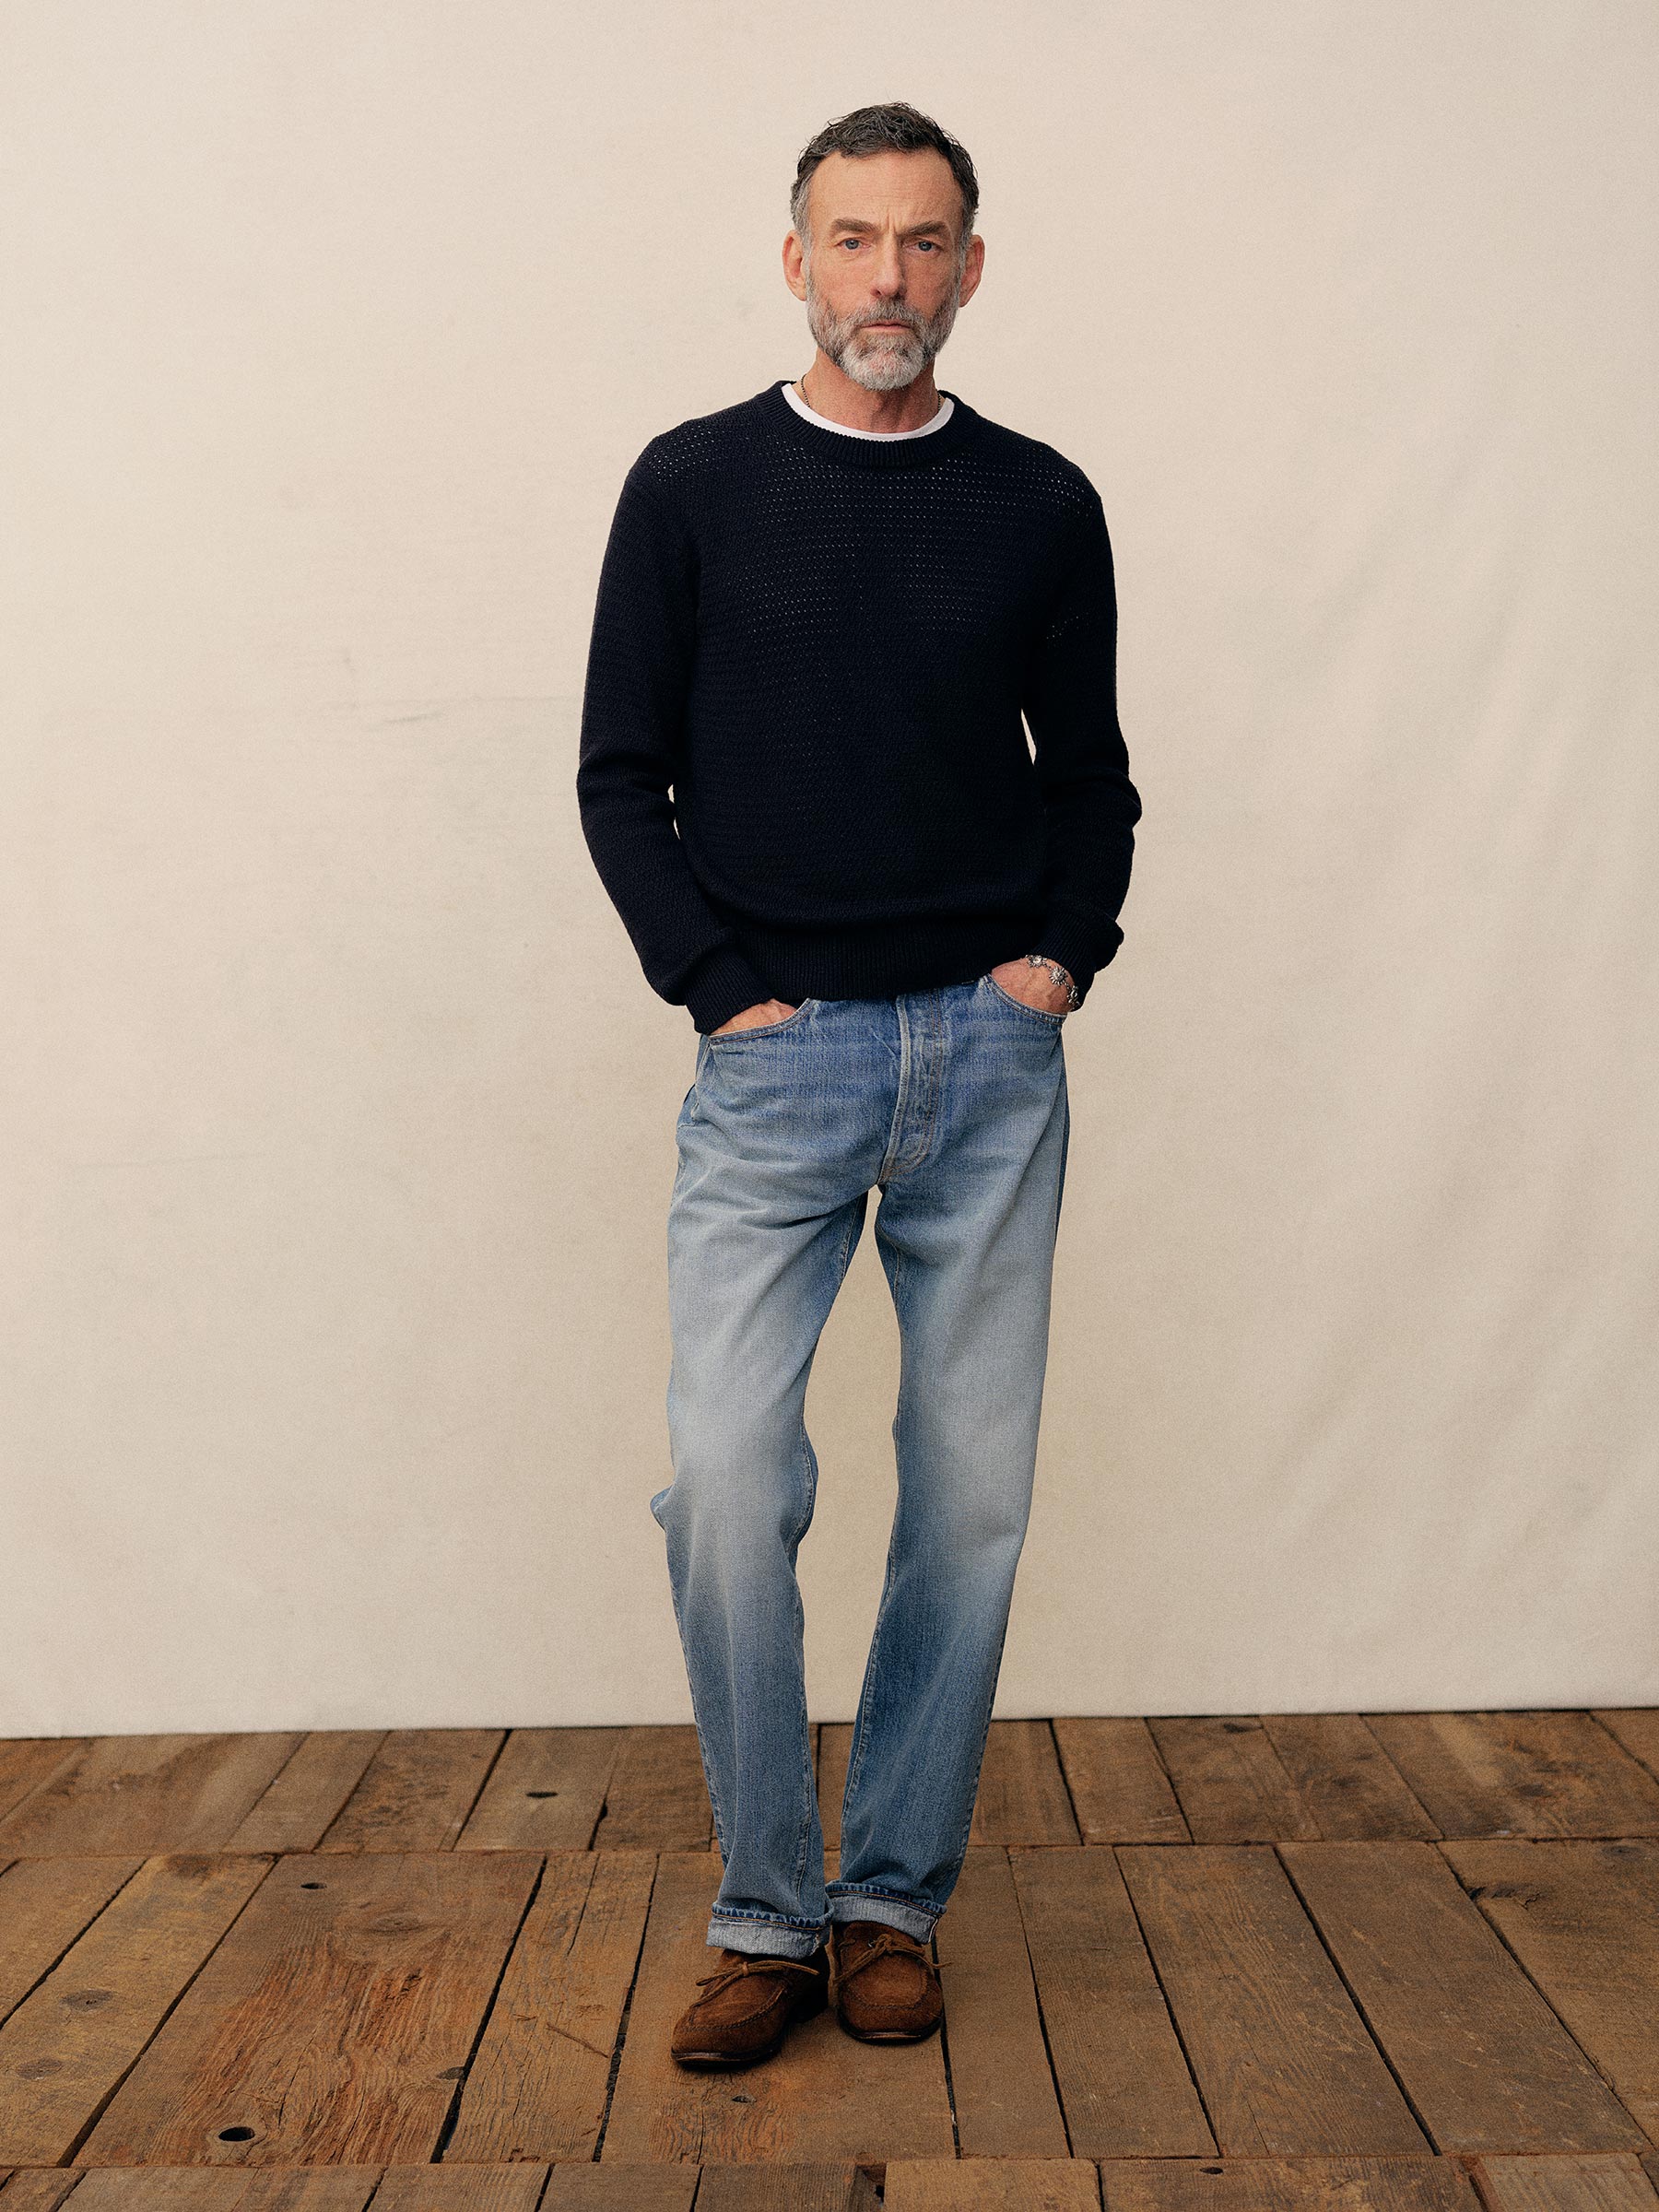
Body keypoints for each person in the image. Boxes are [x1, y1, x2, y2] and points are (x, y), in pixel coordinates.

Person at [576, 100, 1141, 2070]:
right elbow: (618, 775)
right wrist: (719, 986)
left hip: (988, 1056)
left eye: (922, 240)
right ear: (795, 259)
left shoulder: (1042, 502)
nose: (887, 276)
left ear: (971, 266)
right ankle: (765, 1915)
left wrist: (1059, 963)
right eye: (851, 238)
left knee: (970, 1500)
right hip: (780, 1057)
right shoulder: (693, 485)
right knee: (730, 1486)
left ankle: (889, 1900)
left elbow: (1091, 774)